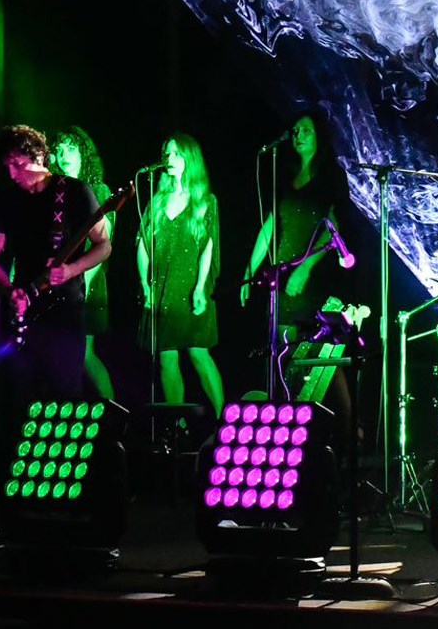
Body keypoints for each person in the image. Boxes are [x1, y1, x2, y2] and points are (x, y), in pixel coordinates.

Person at [0, 124, 113, 406]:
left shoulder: (75, 192)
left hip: (64, 314)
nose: (12, 174)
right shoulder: (7, 198)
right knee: (19, 401)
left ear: (40, 157)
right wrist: (10, 290)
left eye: (19, 165)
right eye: (8, 166)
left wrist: (71, 270)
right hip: (24, 312)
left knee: (64, 400)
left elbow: (104, 245)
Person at [242, 111, 354, 405]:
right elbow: (270, 224)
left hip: (312, 274)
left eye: (305, 130)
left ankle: (343, 419)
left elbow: (332, 229)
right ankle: (287, 411)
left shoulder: (330, 175)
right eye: (294, 131)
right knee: (282, 348)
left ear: (318, 136)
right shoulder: (286, 174)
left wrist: (305, 268)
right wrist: (249, 270)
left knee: (316, 352)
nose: (297, 135)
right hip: (283, 269)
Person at [137, 132, 225, 419]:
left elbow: (208, 247)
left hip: (190, 286)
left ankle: (223, 420)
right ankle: (176, 426)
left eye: (176, 153)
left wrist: (200, 287)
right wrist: (145, 285)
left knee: (198, 353)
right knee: (167, 358)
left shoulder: (205, 200)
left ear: (189, 158)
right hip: (162, 287)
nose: (169, 158)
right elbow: (142, 246)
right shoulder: (157, 201)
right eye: (167, 153)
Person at [48, 126, 116, 400]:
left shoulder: (98, 190)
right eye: (60, 150)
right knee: (60, 356)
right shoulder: (56, 193)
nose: (65, 155)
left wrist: (83, 284)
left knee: (85, 354)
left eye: (71, 149)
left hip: (87, 283)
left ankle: (113, 415)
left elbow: (104, 244)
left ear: (83, 154)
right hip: (58, 286)